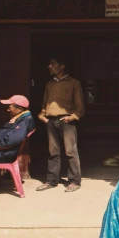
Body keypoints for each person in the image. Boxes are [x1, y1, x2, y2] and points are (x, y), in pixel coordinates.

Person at [36, 55, 84, 193]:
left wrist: (72, 117)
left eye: (52, 64)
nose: (49, 66)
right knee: (53, 152)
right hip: (50, 121)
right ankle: (51, 181)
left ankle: (74, 181)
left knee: (71, 151)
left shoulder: (73, 83)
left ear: (62, 66)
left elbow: (79, 106)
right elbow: (45, 104)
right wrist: (42, 116)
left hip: (66, 121)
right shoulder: (49, 84)